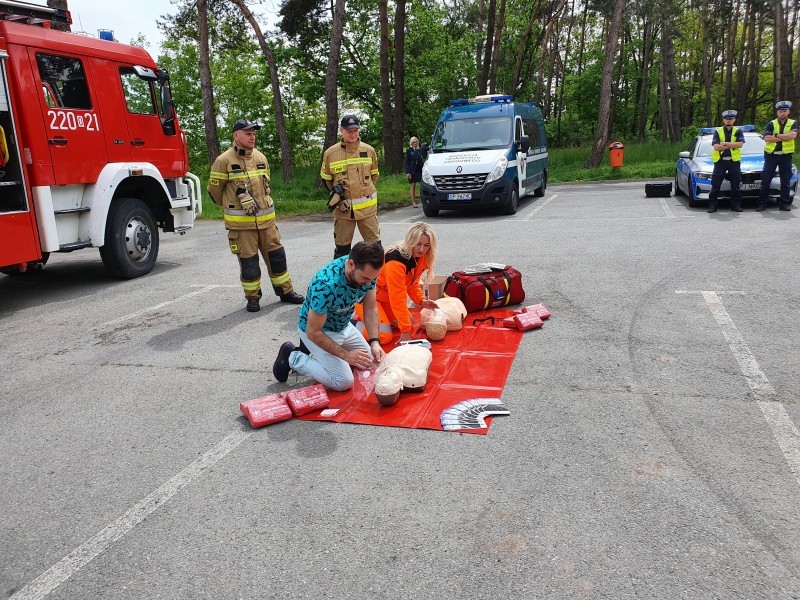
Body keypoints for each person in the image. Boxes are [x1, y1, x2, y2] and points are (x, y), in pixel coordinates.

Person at [207, 118, 304, 312]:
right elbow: (214, 192)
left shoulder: (260, 158)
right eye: (248, 133)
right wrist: (233, 204)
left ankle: (286, 292)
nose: (252, 137)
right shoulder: (223, 160)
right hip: (242, 227)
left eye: (253, 133)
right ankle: (253, 298)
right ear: (236, 135)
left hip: (267, 223)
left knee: (277, 257)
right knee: (249, 262)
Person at [273, 241, 386, 392]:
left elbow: (371, 308)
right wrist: (346, 355)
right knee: (343, 381)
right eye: (365, 278)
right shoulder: (325, 284)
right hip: (319, 330)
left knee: (372, 362)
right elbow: (313, 332)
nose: (368, 283)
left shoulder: (367, 271)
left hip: (343, 325)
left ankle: (323, 358)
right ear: (351, 264)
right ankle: (293, 357)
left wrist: (374, 342)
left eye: (372, 279)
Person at [354, 222, 439, 344]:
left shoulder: (420, 257)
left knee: (407, 320)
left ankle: (374, 320)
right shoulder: (395, 261)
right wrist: (405, 331)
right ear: (410, 241)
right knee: (384, 335)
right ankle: (351, 326)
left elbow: (412, 283)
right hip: (370, 299)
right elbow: (397, 297)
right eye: (418, 244)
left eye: (426, 245)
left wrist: (421, 300)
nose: (422, 249)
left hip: (386, 299)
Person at [320, 115, 381, 260]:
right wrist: (336, 195)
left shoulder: (369, 150)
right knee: (342, 251)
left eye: (355, 130)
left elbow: (374, 177)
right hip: (343, 210)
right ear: (341, 130)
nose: (353, 134)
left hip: (367, 211)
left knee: (375, 250)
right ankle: (342, 281)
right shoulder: (330, 154)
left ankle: (377, 282)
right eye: (349, 131)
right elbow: (326, 180)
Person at [758, 100, 797, 212]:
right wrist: (784, 136)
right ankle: (762, 204)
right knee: (766, 181)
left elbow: (793, 136)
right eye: (780, 111)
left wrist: (775, 135)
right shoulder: (771, 123)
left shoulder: (793, 123)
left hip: (786, 156)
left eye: (784, 111)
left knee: (785, 181)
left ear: (788, 111)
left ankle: (784, 204)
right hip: (771, 156)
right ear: (777, 113)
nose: (782, 113)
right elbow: (766, 138)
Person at [707, 109, 745, 213]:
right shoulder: (718, 131)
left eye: (731, 119)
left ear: (734, 120)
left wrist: (725, 143)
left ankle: (736, 206)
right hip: (720, 162)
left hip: (734, 162)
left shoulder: (738, 131)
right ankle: (712, 206)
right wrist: (732, 144)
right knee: (715, 185)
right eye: (726, 119)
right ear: (723, 120)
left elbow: (740, 144)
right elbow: (716, 147)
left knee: (736, 185)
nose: (728, 121)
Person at [405, 136, 424, 208]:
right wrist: (408, 172)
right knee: (413, 186)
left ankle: (423, 200)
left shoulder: (420, 150)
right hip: (412, 171)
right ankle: (413, 202)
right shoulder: (409, 150)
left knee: (422, 185)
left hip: (420, 170)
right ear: (411, 143)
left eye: (416, 141)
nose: (414, 143)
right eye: (413, 142)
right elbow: (407, 162)